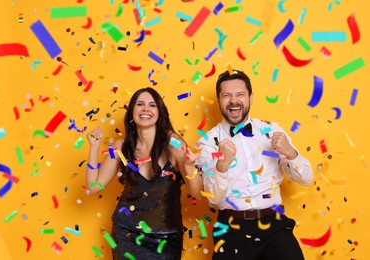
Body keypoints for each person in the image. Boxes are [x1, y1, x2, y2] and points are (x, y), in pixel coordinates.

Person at [196, 69, 313, 260]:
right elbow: (214, 200)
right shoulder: (208, 142)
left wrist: (290, 153)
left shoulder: (271, 131)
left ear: (251, 97)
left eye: (240, 94)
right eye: (227, 95)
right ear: (219, 100)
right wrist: (222, 165)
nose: (234, 101)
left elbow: (306, 179)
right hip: (230, 229)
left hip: (274, 227)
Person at [85, 87, 203, 259]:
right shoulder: (121, 147)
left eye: (152, 105)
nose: (146, 109)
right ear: (132, 111)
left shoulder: (174, 145)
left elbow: (198, 194)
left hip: (167, 237)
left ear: (159, 112)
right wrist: (94, 149)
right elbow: (93, 187)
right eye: (140, 104)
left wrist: (190, 166)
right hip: (127, 234)